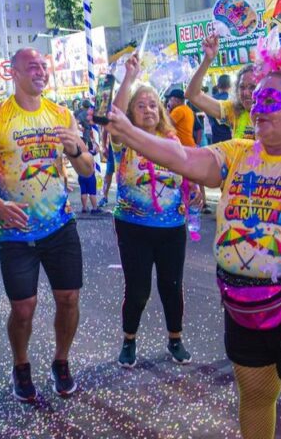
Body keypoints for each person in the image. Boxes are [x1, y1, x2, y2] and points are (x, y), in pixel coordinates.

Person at [105, 65, 281, 439]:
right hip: (243, 302)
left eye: (271, 99)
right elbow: (183, 158)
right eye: (256, 99)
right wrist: (128, 132)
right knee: (254, 396)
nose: (258, 106)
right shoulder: (238, 152)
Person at [0, 47, 95, 401]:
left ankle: (61, 361)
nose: (40, 71)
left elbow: (87, 169)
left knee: (69, 298)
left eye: (43, 66)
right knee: (23, 309)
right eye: (32, 66)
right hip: (16, 231)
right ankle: (21, 365)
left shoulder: (61, 114)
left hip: (60, 225)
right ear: (14, 73)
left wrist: (75, 149)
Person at [110, 54, 199, 368]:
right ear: (131, 112)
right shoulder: (123, 139)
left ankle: (175, 338)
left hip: (172, 227)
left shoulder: (171, 140)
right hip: (133, 226)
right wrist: (129, 78)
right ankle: (129, 339)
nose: (148, 109)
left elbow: (185, 168)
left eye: (152, 105)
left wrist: (193, 187)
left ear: (160, 111)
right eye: (140, 105)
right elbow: (113, 117)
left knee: (172, 286)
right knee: (138, 289)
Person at [187, 35, 259, 141]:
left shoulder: (276, 113)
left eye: (252, 87)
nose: (245, 93)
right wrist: (207, 59)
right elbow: (193, 95)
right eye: (242, 87)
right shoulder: (234, 111)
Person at [208, 74, 234, 143]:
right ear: (230, 85)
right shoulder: (232, 99)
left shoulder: (210, 100)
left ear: (218, 85)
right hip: (230, 138)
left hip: (215, 137)